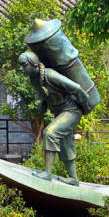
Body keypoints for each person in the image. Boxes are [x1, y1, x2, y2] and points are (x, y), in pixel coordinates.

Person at [18, 50, 89, 184]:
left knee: (50, 133)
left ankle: (47, 174)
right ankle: (74, 179)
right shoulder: (35, 79)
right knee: (66, 143)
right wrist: (43, 103)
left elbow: (76, 88)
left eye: (24, 65)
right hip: (60, 112)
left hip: (71, 111)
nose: (21, 69)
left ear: (34, 64)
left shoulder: (50, 75)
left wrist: (85, 105)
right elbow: (47, 94)